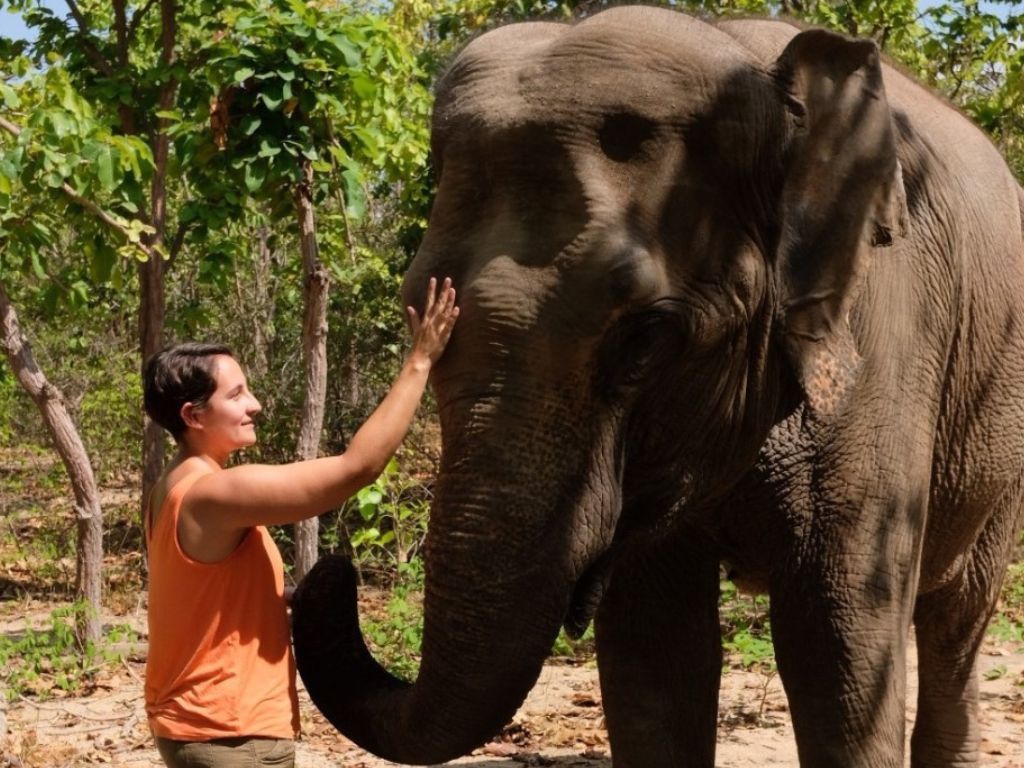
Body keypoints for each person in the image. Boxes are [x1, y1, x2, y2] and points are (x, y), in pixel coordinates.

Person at [141, 277, 459, 768]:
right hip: (230, 734)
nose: (255, 405)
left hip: (202, 726)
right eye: (238, 394)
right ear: (194, 415)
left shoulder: (171, 487)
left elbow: (201, 595)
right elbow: (357, 467)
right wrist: (420, 360)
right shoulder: (215, 493)